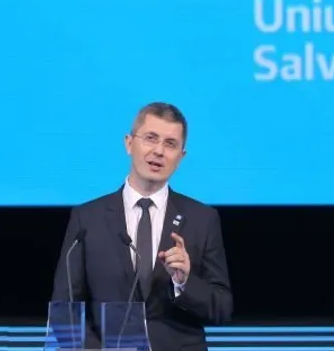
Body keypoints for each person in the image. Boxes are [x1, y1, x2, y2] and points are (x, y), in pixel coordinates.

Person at [51, 102, 233, 351]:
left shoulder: (202, 219)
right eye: (150, 138)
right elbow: (65, 311)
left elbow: (222, 308)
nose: (159, 151)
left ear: (181, 157)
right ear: (129, 143)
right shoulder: (87, 218)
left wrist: (184, 283)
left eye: (170, 144)